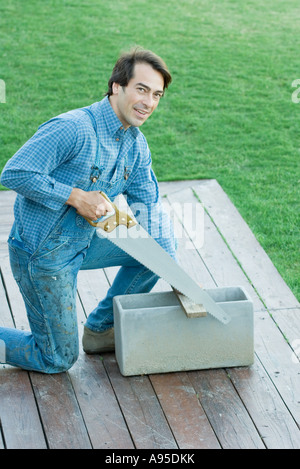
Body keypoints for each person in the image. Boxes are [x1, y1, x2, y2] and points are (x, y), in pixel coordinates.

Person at [0, 47, 177, 374]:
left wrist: (177, 275)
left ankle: (99, 329)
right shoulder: (75, 128)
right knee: (55, 359)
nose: (149, 102)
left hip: (84, 242)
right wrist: (75, 196)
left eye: (157, 95)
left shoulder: (135, 144)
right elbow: (15, 173)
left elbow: (149, 207)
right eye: (141, 89)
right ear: (116, 87)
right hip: (42, 255)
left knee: (159, 250)